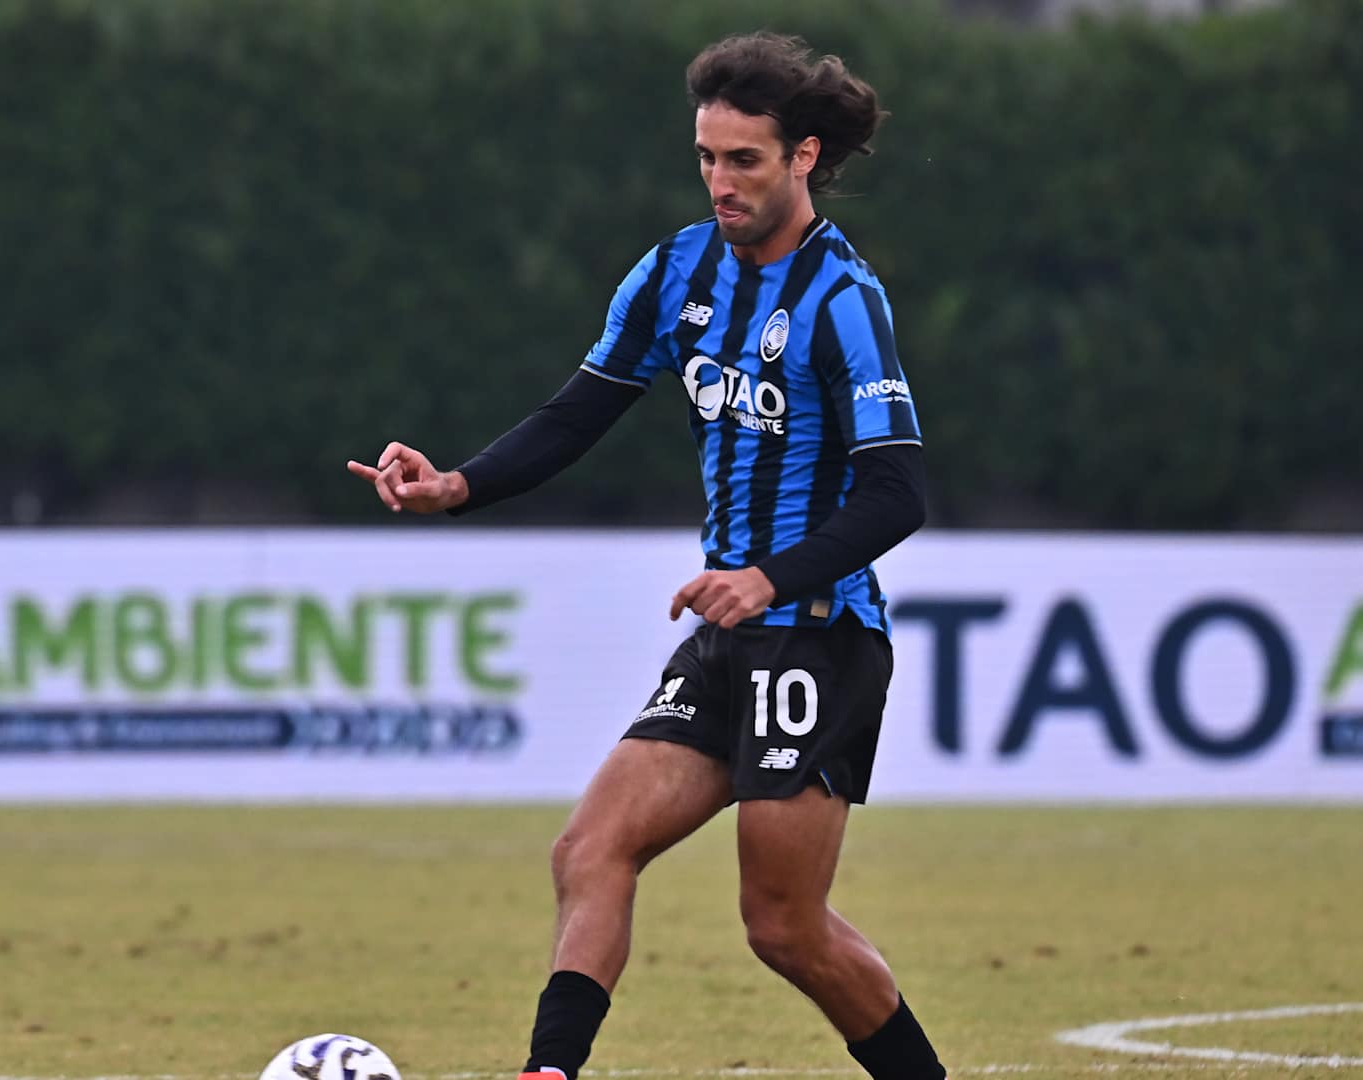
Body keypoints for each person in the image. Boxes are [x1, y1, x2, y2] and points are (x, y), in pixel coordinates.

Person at [345, 33, 947, 1080]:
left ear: (803, 157)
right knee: (590, 849)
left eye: (744, 160)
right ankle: (548, 1073)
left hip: (817, 637)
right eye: (707, 158)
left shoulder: (844, 300)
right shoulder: (677, 270)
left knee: (783, 926)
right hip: (726, 633)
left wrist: (767, 578)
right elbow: (575, 415)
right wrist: (457, 487)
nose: (720, 182)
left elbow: (898, 494)